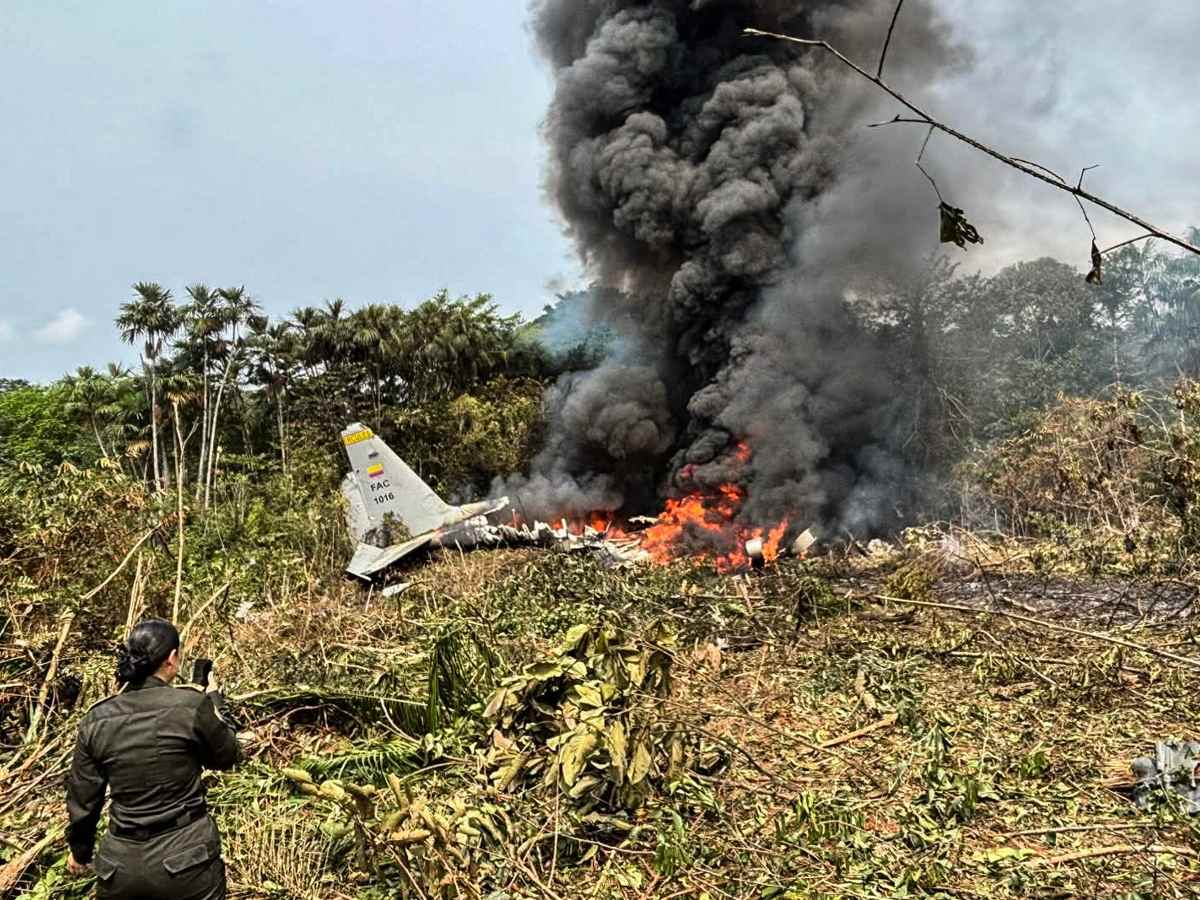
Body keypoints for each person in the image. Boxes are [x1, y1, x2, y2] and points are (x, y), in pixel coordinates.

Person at [66, 618, 239, 899]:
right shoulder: (191, 705)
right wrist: (215, 702)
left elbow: (84, 797)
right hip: (187, 861)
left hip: (119, 868)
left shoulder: (96, 718)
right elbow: (227, 755)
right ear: (171, 659)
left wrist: (80, 851)